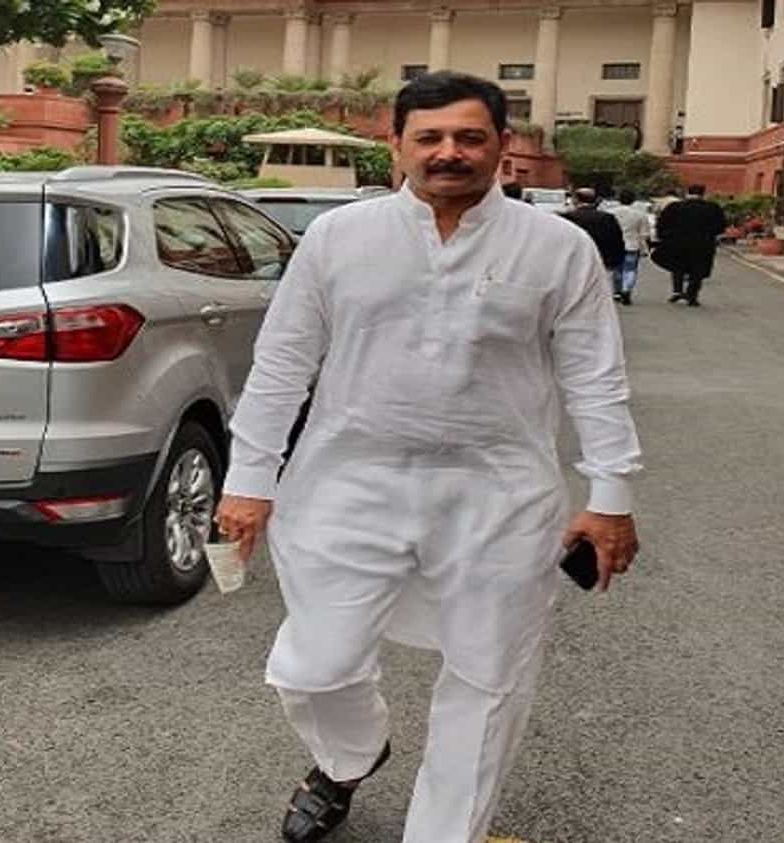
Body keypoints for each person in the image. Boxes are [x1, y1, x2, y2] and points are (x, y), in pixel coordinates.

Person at [215, 71, 642, 843]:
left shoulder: (556, 247)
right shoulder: (339, 237)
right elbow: (281, 362)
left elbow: (594, 375)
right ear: (397, 146)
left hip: (500, 493)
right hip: (346, 483)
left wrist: (610, 493)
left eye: (470, 137)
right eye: (430, 137)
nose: (450, 152)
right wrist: (249, 478)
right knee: (314, 667)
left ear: (502, 145)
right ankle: (349, 755)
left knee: (487, 680)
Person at [654, 184, 727, 307]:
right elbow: (720, 226)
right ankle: (692, 295)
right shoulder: (712, 208)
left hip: (678, 243)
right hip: (703, 244)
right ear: (703, 194)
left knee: (677, 266)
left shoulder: (675, 207)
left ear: (688, 192)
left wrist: (664, 238)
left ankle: (677, 290)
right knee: (698, 270)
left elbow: (662, 224)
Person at [561, 187, 626, 277]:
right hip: (602, 261)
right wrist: (616, 260)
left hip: (575, 261)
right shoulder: (606, 218)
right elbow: (616, 239)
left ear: (576, 200)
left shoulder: (567, 217)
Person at [607, 189, 652, 305]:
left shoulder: (611, 213)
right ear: (633, 200)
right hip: (632, 244)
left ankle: (617, 291)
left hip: (615, 245)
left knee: (617, 269)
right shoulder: (640, 214)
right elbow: (644, 234)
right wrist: (645, 248)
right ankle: (626, 289)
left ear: (619, 199)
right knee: (630, 269)